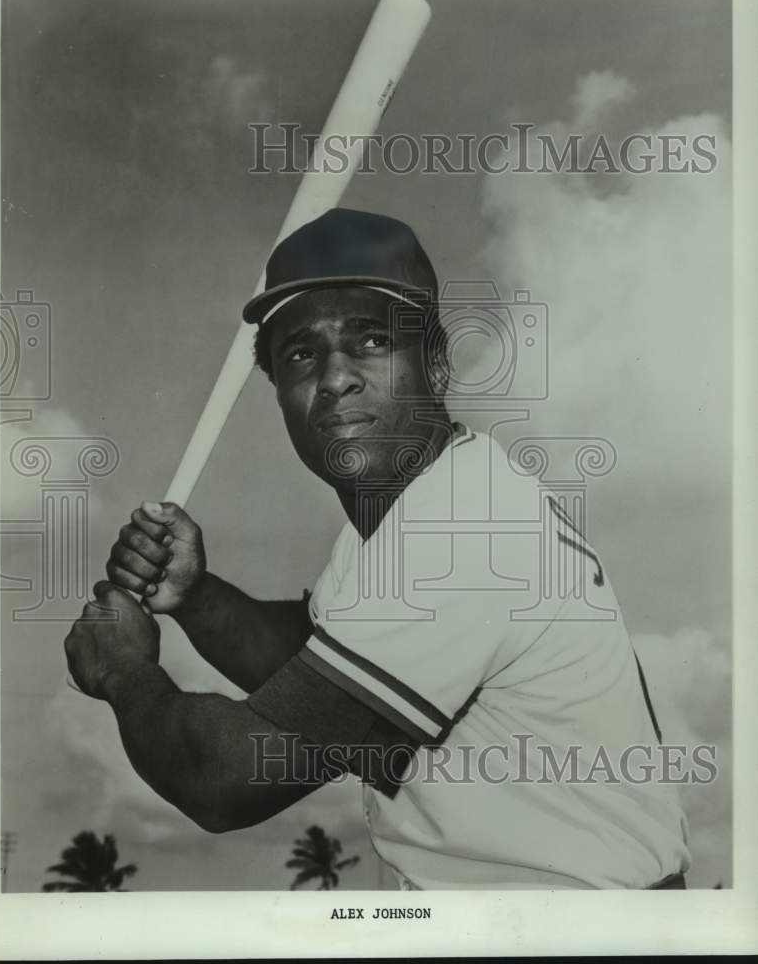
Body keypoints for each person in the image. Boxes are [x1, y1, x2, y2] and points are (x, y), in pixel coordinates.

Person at [65, 207, 691, 889]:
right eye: (300, 353)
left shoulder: (462, 527)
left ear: (437, 365)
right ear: (279, 393)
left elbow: (226, 780)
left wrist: (121, 668)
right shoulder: (409, 517)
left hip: (587, 924)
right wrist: (195, 597)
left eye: (370, 339)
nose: (335, 377)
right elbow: (311, 670)